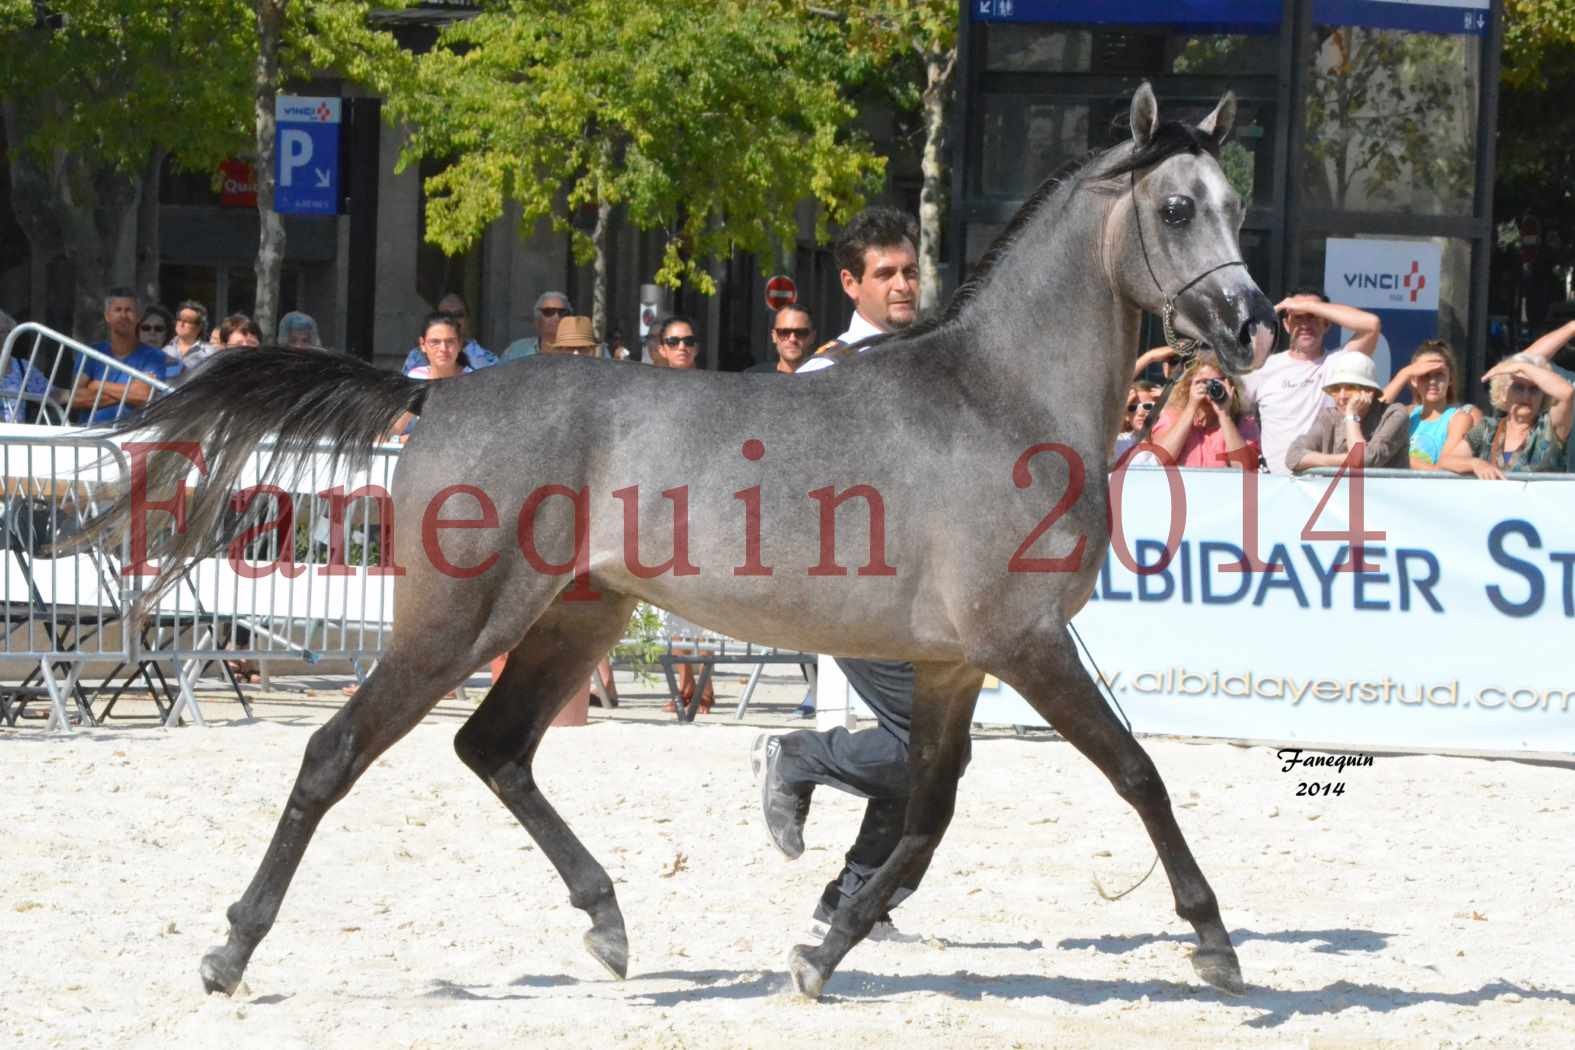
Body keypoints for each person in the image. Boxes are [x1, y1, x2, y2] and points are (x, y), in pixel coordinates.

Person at [756, 205, 931, 941]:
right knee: (923, 748)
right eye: (885, 273)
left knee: (933, 751)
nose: (902, 284)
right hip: (852, 588)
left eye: (910, 270)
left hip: (922, 590)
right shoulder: (828, 369)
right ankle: (800, 754)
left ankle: (854, 900)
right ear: (850, 283)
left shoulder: (930, 357)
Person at [1241, 290, 1381, 475]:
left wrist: (1304, 306)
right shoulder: (1262, 367)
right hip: (1273, 486)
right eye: (1298, 318)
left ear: (1327, 323)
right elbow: (1232, 411)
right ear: (1286, 324)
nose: (1305, 325)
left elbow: (1371, 325)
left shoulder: (1338, 363)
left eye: (1313, 317)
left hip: (1325, 483)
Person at [1285, 352, 1410, 473]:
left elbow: (1363, 462)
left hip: (1382, 494)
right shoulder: (1330, 417)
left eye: (1350, 387)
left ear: (1370, 391)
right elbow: (1292, 456)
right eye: (1335, 389)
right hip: (1341, 494)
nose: (1342, 396)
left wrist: (1352, 417)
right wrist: (1346, 460)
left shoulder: (1394, 414)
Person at [1377, 340, 1484, 475]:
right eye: (1424, 375)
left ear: (1450, 379)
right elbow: (1374, 416)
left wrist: (1397, 457)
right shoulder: (1406, 413)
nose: (1432, 381)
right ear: (1413, 380)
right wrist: (1404, 373)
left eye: (1439, 374)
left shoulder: (1459, 418)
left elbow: (1442, 470)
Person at [1140, 352, 1261, 468]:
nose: (1209, 387)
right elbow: (1161, 460)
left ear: (1230, 384)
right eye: (1202, 382)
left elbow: (1245, 468)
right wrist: (1191, 406)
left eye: (1216, 382)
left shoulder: (1243, 422)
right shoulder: (1171, 417)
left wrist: (1225, 415)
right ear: (1188, 386)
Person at [1462, 352, 1575, 475]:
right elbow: (1447, 460)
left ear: (1543, 396)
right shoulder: (1487, 428)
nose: (1526, 396)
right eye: (1518, 387)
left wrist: (1523, 367)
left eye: (1534, 388)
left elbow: (1567, 392)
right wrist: (1475, 464)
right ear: (1503, 393)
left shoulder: (1550, 428)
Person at [72, 287, 170, 424]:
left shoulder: (154, 357)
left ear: (139, 317)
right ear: (107, 316)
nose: (123, 315)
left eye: (129, 310)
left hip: (132, 437)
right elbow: (75, 399)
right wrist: (130, 391)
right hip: (90, 436)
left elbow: (143, 396)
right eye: (117, 310)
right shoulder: (90, 354)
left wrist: (97, 385)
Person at [404, 293, 495, 371]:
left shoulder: (489, 361)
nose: (453, 320)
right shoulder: (416, 357)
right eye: (446, 315)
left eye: (459, 315)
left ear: (468, 320)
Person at [0, 308, 53, 423]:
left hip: (16, 438)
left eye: (3, 331)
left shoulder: (21, 367)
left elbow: (51, 393)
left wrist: (76, 394)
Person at [502, 292, 572, 362]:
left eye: (563, 312)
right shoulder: (516, 351)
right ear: (537, 321)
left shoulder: (579, 352)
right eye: (549, 312)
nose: (556, 317)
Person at [748, 305, 817, 374]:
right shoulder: (751, 377)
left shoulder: (825, 379)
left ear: (812, 337)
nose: (792, 339)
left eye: (801, 332)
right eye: (784, 332)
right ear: (774, 336)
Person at [1113, 381, 1161, 460]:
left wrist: (1168, 403)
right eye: (1132, 408)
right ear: (1126, 416)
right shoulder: (1120, 442)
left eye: (1148, 406)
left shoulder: (1169, 439)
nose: (1140, 413)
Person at [162, 300, 213, 375]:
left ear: (199, 327)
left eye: (187, 321)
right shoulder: (164, 347)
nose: (181, 324)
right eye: (179, 319)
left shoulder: (210, 352)